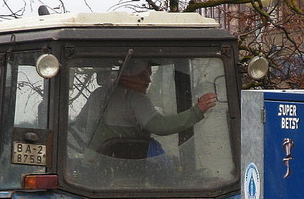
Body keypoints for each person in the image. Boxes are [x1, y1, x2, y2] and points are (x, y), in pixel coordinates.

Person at [87, 59, 217, 157]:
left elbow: (82, 122)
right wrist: (197, 111)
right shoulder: (136, 98)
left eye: (149, 75)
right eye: (144, 75)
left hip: (93, 161)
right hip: (126, 165)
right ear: (129, 76)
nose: (148, 80)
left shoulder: (97, 94)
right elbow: (159, 126)